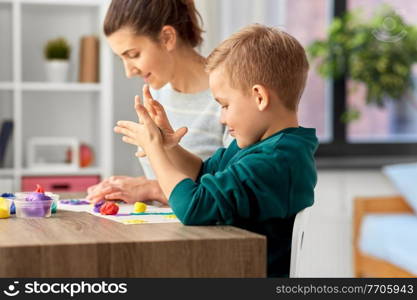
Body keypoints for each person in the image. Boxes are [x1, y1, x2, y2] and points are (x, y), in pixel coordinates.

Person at [114, 24, 318, 277]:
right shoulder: (260, 147)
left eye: (225, 105)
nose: (221, 118)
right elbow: (202, 172)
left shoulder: (276, 160)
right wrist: (170, 146)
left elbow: (193, 207)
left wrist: (155, 151)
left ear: (259, 97)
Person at [87, 0, 229, 205]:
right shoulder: (156, 93)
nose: (129, 72)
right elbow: (168, 177)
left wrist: (151, 189)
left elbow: (230, 193)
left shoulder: (228, 97)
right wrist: (135, 185)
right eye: (122, 59)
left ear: (167, 38)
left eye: (133, 55)